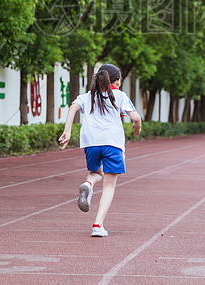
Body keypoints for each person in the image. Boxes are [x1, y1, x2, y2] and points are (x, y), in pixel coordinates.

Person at [58, 64, 142, 237]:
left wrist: (67, 130)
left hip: (90, 143)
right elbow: (135, 117)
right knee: (109, 185)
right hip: (112, 143)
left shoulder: (88, 96)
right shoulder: (119, 95)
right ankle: (98, 225)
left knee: (95, 172)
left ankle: (88, 184)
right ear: (116, 81)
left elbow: (73, 107)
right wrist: (137, 126)